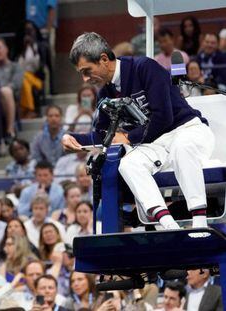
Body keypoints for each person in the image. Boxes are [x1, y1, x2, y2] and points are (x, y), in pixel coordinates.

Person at [63, 32, 215, 230]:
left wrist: (128, 137)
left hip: (188, 130)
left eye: (87, 70)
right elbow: (104, 135)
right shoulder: (105, 93)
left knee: (182, 148)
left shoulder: (144, 67)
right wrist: (72, 138)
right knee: (128, 164)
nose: (85, 79)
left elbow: (163, 117)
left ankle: (199, 224)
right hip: (156, 144)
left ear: (103, 59)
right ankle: (168, 225)